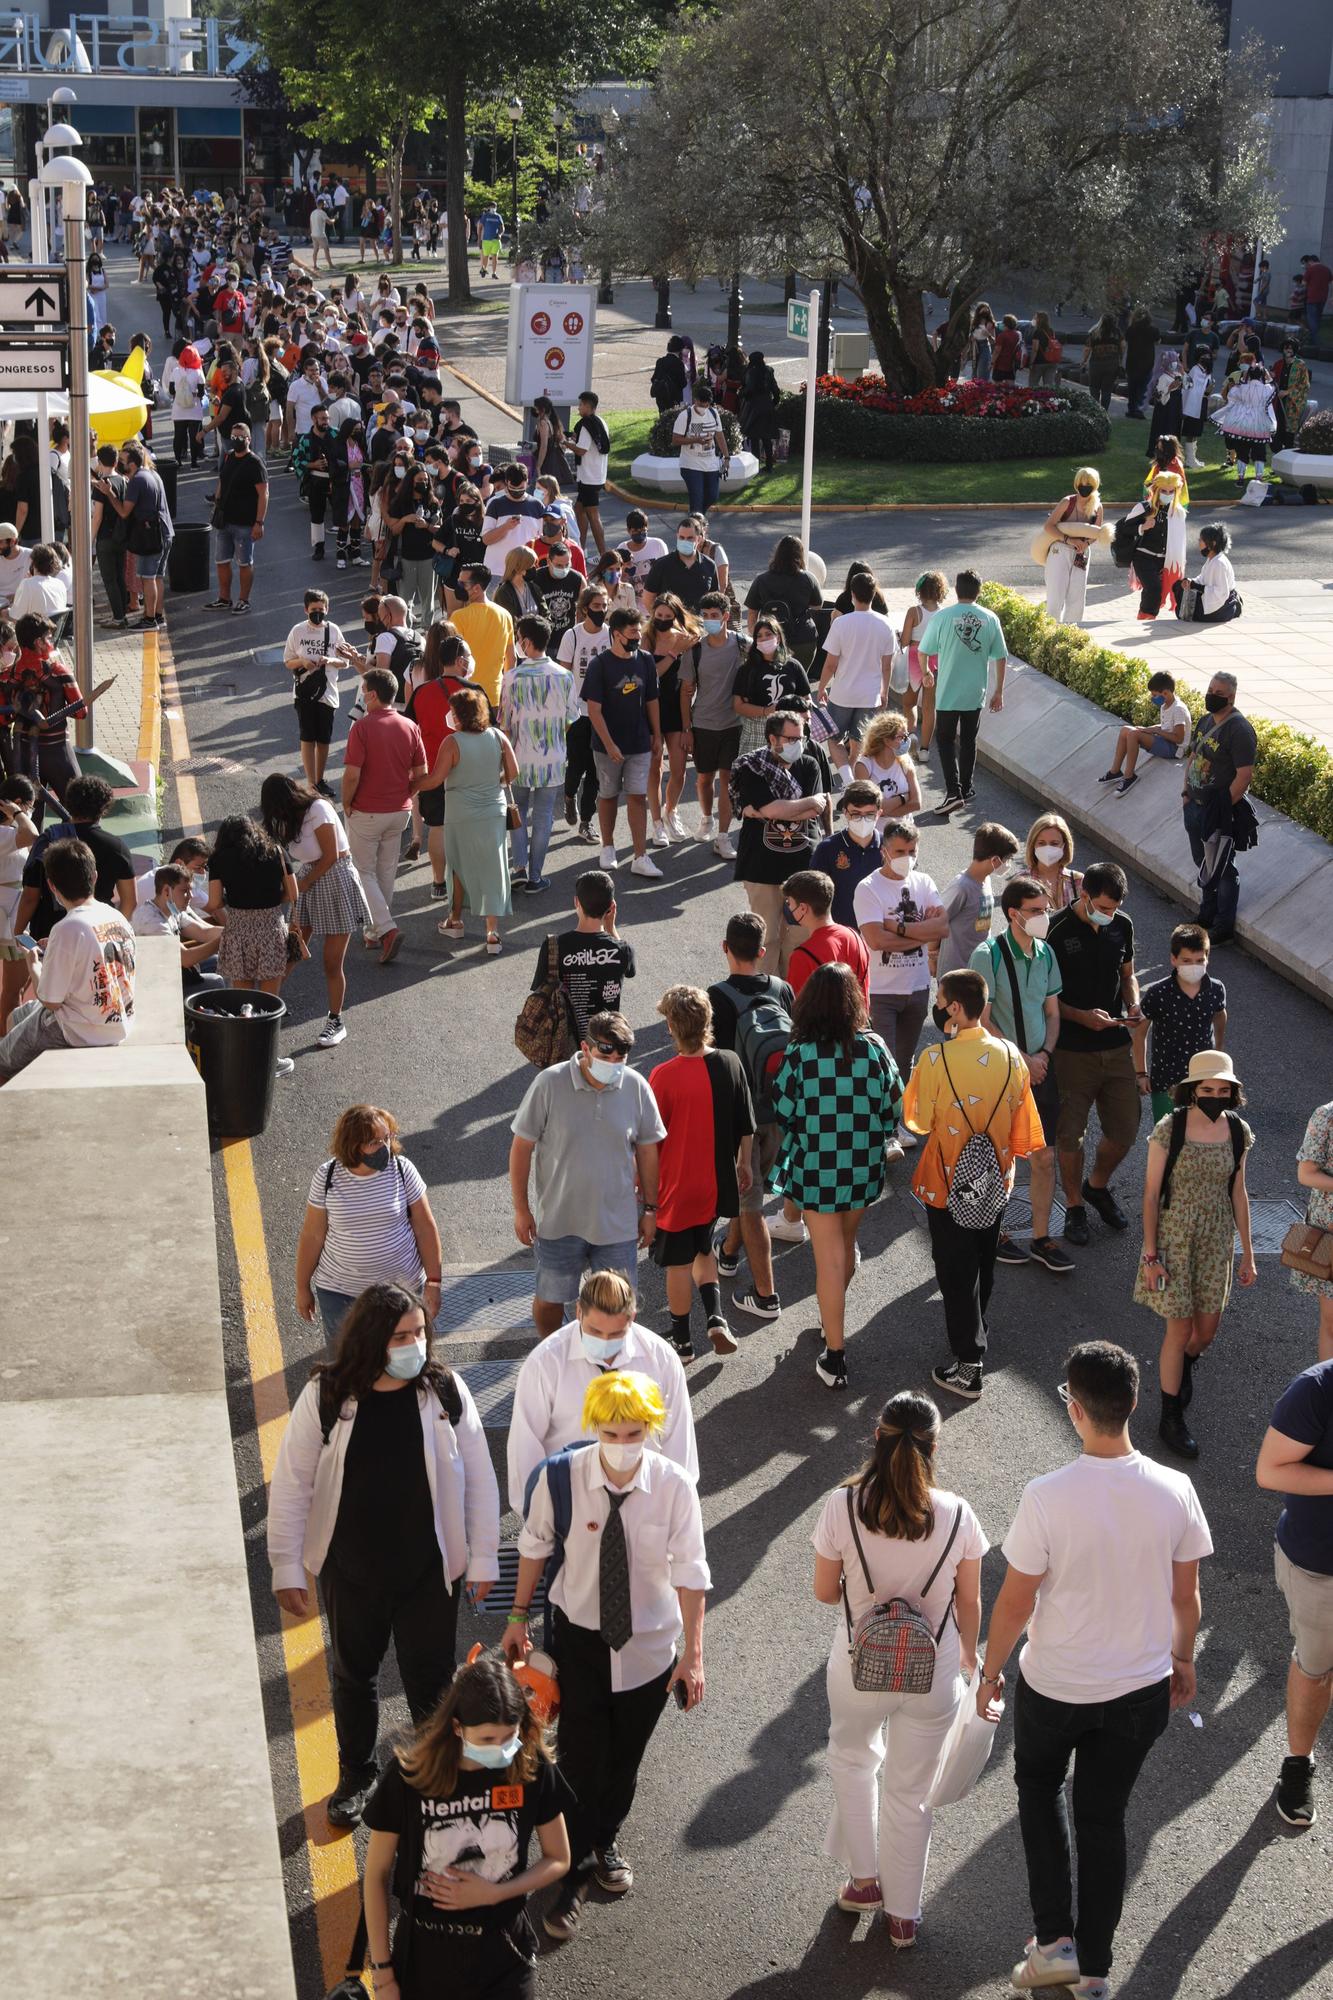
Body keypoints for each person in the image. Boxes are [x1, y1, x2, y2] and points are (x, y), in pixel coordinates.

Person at [978, 1340, 1210, 1994]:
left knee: (1037, 1787)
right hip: (1139, 1690)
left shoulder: (1047, 1496)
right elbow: (1184, 1596)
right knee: (1103, 1820)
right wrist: (1183, 1657)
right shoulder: (1175, 1490)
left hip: (1054, 1685)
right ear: (1133, 1404)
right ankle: (1096, 1971)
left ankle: (1053, 1940)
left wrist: (990, 1672)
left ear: (1075, 1411)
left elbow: (1015, 1602)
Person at [267, 1283, 498, 1828]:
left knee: (432, 1679)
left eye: (419, 1332)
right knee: (353, 1677)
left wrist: (483, 1557)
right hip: (352, 1574)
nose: (415, 1344)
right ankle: (357, 1775)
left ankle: (435, 1776)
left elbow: (481, 1480)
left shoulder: (444, 1390)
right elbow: (293, 1483)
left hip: (426, 1573)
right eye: (401, 1336)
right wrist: (285, 1566)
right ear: (373, 1340)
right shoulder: (328, 1396)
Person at [507, 1369, 709, 1940]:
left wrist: (694, 1655)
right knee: (580, 1757)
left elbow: (692, 1574)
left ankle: (603, 1835)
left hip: (649, 1652)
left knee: (623, 1762)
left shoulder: (674, 1487)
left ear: (651, 1429)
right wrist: (517, 1618)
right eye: (612, 1434)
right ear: (594, 1426)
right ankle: (573, 1875)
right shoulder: (561, 1478)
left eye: (635, 1433)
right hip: (581, 1643)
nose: (623, 1446)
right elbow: (534, 1546)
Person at [812, 1392, 986, 1947]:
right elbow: (970, 1604)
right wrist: (969, 1654)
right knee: (912, 1792)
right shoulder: (959, 1515)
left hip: (859, 1666)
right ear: (934, 1446)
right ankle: (904, 1917)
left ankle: (865, 1881)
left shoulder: (843, 1506)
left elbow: (822, 1592)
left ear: (877, 1437)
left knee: (852, 1760)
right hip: (931, 1674)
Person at [361, 1651, 572, 1998]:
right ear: (457, 1727)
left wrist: (497, 1893)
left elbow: (558, 1858)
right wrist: (383, 1975)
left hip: (504, 1950)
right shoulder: (409, 1780)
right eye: (488, 1740)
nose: (503, 1750)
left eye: (510, 1736)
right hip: (425, 1956)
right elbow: (376, 1875)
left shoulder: (531, 1767)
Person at [902, 970, 1044, 1399]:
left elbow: (918, 1121)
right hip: (995, 1178)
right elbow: (1025, 1127)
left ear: (955, 1008)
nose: (939, 1005)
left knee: (954, 1269)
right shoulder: (1012, 1056)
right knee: (984, 1258)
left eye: (941, 998)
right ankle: (977, 1328)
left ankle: (968, 1362)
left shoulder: (934, 1060)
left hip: (948, 1183)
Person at [772, 963, 903, 1391]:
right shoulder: (874, 1047)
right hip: (863, 1165)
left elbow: (785, 1113)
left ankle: (835, 1353)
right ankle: (832, 1321)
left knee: (828, 1258)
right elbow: (895, 1108)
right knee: (845, 1248)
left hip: (816, 1167)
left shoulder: (799, 1054)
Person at [509, 1010, 665, 1338]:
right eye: (605, 1051)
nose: (613, 1060)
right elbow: (521, 1147)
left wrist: (651, 1209)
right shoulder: (549, 1083)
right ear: (585, 1046)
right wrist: (522, 1210)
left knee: (619, 1306)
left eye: (621, 1054)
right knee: (551, 1301)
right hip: (559, 1222)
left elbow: (648, 1151)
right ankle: (553, 1353)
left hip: (617, 1225)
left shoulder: (636, 1087)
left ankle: (607, 1363)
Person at [1135, 1047, 1255, 1461]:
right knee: (1179, 1330)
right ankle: (1170, 1416)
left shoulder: (1238, 1132)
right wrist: (1151, 1256)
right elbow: (1151, 1195)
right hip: (1174, 1240)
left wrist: (1248, 1253)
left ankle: (1184, 1367)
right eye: (1207, 1088)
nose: (1215, 1096)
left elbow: (1238, 1192)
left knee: (1206, 1332)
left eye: (1223, 1090)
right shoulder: (1171, 1128)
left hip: (1215, 1241)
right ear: (1191, 1089)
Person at [506, 1269, 697, 1509]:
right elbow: (525, 1444)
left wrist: (677, 1508)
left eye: (616, 1334)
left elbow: (678, 1440)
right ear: (578, 1312)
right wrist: (537, 1514)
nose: (605, 1342)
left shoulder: (661, 1358)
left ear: (632, 1318)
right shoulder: (545, 1363)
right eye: (595, 1332)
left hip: (642, 1503)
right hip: (571, 1503)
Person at [970, 876, 1071, 1273]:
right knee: (1002, 1154)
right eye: (1036, 911)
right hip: (1002, 1072)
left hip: (1041, 1068)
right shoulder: (988, 954)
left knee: (1045, 1156)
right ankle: (994, 1231)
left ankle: (1043, 1237)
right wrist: (1023, 1059)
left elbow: (1052, 1012)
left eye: (1045, 909)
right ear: (1013, 914)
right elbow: (982, 1018)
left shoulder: (1046, 954)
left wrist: (1044, 1054)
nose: (1044, 916)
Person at [1255, 1358, 1333, 1829]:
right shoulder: (1317, 1389)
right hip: (1320, 1568)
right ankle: (1298, 1764)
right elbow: (1270, 1470)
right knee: (1316, 1668)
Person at [1047, 862, 1141, 1250]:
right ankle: (1073, 1205)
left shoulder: (1123, 924)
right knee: (1070, 1134)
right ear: (1083, 895)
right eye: (1103, 906)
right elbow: (1046, 998)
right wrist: (1081, 1017)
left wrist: (1133, 1002)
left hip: (1116, 1045)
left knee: (1126, 1129)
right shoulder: (1055, 929)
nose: (1109, 914)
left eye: (1115, 907)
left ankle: (1096, 1185)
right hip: (1072, 1050)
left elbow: (1127, 973)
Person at [295, 1105, 443, 1339]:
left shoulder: (403, 1170)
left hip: (402, 1289)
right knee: (347, 1362)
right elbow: (313, 1235)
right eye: (375, 1142)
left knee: (400, 1358)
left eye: (387, 1138)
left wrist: (434, 1283)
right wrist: (302, 1287)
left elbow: (425, 1227)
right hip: (341, 1292)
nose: (384, 1147)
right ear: (353, 1145)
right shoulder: (327, 1176)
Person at [0, 838, 136, 1085]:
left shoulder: (67, 928)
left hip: (80, 1029)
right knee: (17, 1017)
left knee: (3, 1059)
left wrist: (34, 964)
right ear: (94, 877)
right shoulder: (116, 917)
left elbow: (51, 1001)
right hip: (117, 1021)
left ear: (51, 886)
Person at [260, 774, 370, 1052]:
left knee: (331, 962)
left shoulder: (318, 809)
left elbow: (332, 854)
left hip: (335, 879)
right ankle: (269, 1007)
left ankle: (336, 1020)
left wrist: (302, 884)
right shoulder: (290, 818)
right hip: (310, 878)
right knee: (291, 948)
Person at [342, 667, 427, 966]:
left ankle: (386, 929)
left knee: (363, 871)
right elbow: (421, 773)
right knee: (385, 871)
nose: (362, 696)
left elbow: (352, 775)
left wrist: (346, 803)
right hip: (399, 811)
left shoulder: (362, 728)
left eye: (364, 691)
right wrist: (408, 793)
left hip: (367, 811)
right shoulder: (410, 726)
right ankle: (374, 931)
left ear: (374, 695)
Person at [853, 816, 947, 1083]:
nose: (907, 857)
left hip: (917, 989)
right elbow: (876, 941)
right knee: (884, 1063)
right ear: (885, 851)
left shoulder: (924, 882)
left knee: (905, 1062)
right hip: (881, 992)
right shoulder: (868, 888)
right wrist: (923, 932)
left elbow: (943, 927)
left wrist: (898, 928)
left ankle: (901, 1120)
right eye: (900, 852)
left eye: (912, 852)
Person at [423, 685, 516, 954]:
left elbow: (436, 778)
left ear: (461, 714)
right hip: (493, 811)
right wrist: (491, 782)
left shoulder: (452, 742)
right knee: (493, 868)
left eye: (452, 711)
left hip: (461, 813)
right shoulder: (497, 737)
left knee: (458, 866)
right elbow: (513, 772)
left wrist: (412, 783)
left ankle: (455, 921)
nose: (450, 715)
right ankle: (492, 933)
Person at [499, 615, 579, 895]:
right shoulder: (564, 676)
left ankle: (519, 867)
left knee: (517, 811)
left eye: (519, 638)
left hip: (519, 756)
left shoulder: (511, 678)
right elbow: (571, 717)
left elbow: (504, 724)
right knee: (544, 816)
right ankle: (535, 875)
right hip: (553, 757)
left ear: (527, 642)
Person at [582, 606, 663, 879]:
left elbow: (652, 700)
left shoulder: (646, 661)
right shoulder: (599, 665)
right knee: (607, 795)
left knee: (638, 797)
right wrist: (610, 744)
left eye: (639, 632)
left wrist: (657, 735)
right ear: (616, 634)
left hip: (639, 742)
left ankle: (640, 856)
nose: (637, 638)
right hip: (607, 747)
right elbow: (594, 710)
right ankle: (608, 847)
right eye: (632, 633)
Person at [918, 570, 1007, 813]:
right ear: (979, 591)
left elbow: (923, 650)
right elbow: (1001, 656)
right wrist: (998, 690)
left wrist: (926, 672)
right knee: (969, 740)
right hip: (974, 692)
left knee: (945, 740)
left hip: (947, 692)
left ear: (957, 590)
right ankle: (966, 788)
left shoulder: (943, 616)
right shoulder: (990, 618)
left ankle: (953, 792)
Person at [1181, 670, 1255, 946]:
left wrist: (1224, 808)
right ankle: (1206, 915)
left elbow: (1244, 775)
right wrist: (1186, 793)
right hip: (1195, 806)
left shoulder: (1240, 730)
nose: (1211, 696)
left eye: (1219, 693)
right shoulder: (1204, 721)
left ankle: (1223, 926)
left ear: (1232, 697)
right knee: (1202, 862)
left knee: (1223, 869)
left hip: (1218, 812)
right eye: (1210, 689)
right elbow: (1193, 756)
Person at [1133, 924, 1227, 1123]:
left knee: (1202, 1137)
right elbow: (1140, 1033)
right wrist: (1141, 1073)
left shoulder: (1216, 989)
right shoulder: (1158, 993)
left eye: (1200, 960)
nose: (1194, 966)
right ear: (1173, 959)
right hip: (1166, 1082)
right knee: (1167, 1139)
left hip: (1204, 1080)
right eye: (1186, 960)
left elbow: (1220, 1016)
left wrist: (1219, 1052)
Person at [529, 868, 635, 1041]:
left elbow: (539, 992)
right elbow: (629, 969)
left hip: (564, 1039)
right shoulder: (622, 950)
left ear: (576, 902)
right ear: (611, 907)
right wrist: (611, 928)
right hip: (605, 1043)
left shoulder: (553, 946)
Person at [283, 587, 365, 794]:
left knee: (324, 739)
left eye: (321, 608)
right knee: (307, 737)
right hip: (304, 692)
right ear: (305, 610)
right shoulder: (297, 631)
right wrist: (302, 661)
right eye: (313, 609)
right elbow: (287, 662)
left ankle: (320, 779)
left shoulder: (334, 631)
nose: (317, 612)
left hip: (328, 693)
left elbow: (347, 661)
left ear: (327, 609)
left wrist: (329, 660)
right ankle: (311, 782)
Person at [679, 590, 741, 860]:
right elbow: (685, 691)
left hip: (734, 725)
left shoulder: (742, 645)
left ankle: (723, 837)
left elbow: (774, 656)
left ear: (726, 616)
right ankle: (707, 819)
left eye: (714, 616)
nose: (709, 621)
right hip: (703, 724)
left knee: (727, 782)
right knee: (705, 779)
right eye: (705, 616)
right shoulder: (695, 652)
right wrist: (686, 728)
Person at [815, 572, 897, 752]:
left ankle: (846, 773)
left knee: (834, 738)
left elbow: (830, 664)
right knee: (860, 742)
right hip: (870, 695)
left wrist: (822, 687)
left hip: (842, 693)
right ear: (874, 594)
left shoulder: (841, 623)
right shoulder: (886, 625)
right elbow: (887, 666)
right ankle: (853, 775)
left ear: (852, 594)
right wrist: (884, 693)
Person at [643, 591, 700, 846]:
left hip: (678, 710)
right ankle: (657, 823)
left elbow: (694, 674)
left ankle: (671, 810)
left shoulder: (687, 640)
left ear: (677, 616)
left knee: (678, 770)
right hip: (650, 711)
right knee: (654, 768)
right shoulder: (646, 639)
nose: (663, 620)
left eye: (668, 616)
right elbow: (650, 676)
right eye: (659, 615)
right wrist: (673, 654)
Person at [95, 444, 172, 628]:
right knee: (157, 577)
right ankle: (157, 616)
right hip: (164, 532)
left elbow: (123, 512)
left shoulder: (138, 480)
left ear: (133, 463)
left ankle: (149, 619)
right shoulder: (152, 474)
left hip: (151, 536)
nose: (119, 463)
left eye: (122, 461)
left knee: (148, 577)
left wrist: (110, 493)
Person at [936, 821, 1019, 976]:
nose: (1008, 864)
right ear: (995, 860)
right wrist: (932, 957)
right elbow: (937, 922)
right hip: (955, 972)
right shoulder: (961, 887)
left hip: (978, 967)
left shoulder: (985, 880)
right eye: (1007, 858)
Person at [132, 861, 224, 994]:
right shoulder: (152, 922)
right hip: (156, 990)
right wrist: (222, 940)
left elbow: (205, 932)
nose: (190, 896)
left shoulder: (172, 910)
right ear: (166, 891)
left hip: (171, 973)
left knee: (216, 960)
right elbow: (186, 959)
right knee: (217, 981)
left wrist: (234, 932)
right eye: (185, 891)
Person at [206, 422, 267, 614]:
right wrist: (216, 504)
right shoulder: (229, 456)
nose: (236, 440)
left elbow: (264, 494)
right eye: (233, 437)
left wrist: (259, 522)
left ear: (248, 439)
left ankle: (243, 600)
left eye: (240, 437)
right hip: (225, 521)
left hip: (245, 524)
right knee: (221, 561)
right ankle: (224, 598)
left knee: (244, 563)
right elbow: (222, 481)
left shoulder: (255, 463)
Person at [1099, 668, 1190, 797]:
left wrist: (1155, 731)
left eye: (1154, 695)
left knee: (1134, 734)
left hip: (1174, 749)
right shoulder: (1165, 705)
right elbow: (1166, 726)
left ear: (1165, 693)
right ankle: (1115, 772)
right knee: (1126, 730)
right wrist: (1148, 729)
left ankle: (1129, 776)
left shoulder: (1178, 709)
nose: (1152, 698)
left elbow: (1179, 738)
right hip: (1165, 741)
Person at [782, 868, 870, 1000]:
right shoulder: (854, 936)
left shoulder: (802, 956)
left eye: (789, 902)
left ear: (803, 908)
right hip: (860, 1019)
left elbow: (796, 1007)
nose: (788, 907)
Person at [745, 535, 823, 663]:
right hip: (803, 639)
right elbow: (817, 606)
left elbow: (752, 614)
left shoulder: (762, 580)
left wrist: (758, 638)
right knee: (799, 679)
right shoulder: (808, 579)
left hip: (770, 640)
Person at [1041, 468, 1104, 627]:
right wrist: (1068, 539)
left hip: (1081, 553)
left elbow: (1097, 533)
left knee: (1077, 596)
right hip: (1060, 550)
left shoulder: (1097, 507)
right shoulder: (1067, 502)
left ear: (1095, 485)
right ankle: (1050, 631)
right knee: (1055, 595)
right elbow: (1049, 527)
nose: (1085, 487)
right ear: (1076, 484)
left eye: (1088, 484)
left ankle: (1071, 632)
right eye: (1081, 483)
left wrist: (1086, 544)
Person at [450, 566, 516, 710]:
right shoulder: (505, 615)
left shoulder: (458, 617)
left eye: (463, 584)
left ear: (477, 588)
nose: (458, 586)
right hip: (494, 696)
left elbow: (452, 659)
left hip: (465, 696)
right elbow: (511, 658)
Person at [641, 512, 719, 615]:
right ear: (677, 536)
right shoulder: (661, 565)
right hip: (670, 627)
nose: (685, 541)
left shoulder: (709, 566)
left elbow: (713, 601)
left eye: (690, 538)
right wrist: (660, 621)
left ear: (699, 539)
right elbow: (648, 599)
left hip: (698, 628)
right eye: (681, 537)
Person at [1211, 362, 1277, 484]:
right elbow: (1274, 388)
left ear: (1249, 374)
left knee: (1242, 451)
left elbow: (1232, 396)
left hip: (1242, 424)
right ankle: (1258, 478)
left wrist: (1244, 378)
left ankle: (1240, 478)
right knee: (1259, 451)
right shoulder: (1267, 389)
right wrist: (1269, 377)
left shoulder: (1241, 388)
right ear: (1263, 375)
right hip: (1259, 424)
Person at [670, 382, 728, 515]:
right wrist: (695, 440)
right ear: (695, 400)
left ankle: (696, 519)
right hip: (690, 465)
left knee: (713, 495)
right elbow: (675, 440)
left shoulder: (713, 413)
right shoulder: (685, 416)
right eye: (701, 405)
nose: (704, 407)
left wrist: (727, 457)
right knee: (697, 498)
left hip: (710, 464)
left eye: (707, 405)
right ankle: (697, 525)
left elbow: (719, 435)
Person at [852, 711, 921, 819]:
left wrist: (888, 812)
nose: (906, 741)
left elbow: (916, 803)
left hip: (903, 831)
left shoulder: (905, 761)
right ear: (887, 741)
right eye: (901, 737)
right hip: (876, 833)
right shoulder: (864, 766)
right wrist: (904, 798)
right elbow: (871, 807)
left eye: (906, 736)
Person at [1175, 521, 1241, 627]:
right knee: (1178, 586)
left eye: (1201, 540)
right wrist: (1190, 582)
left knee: (1187, 612)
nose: (1199, 542)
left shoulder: (1219, 563)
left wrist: (1195, 586)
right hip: (1213, 598)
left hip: (1222, 605)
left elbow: (1221, 592)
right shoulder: (1212, 559)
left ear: (1212, 544)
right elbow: (1203, 578)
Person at [568, 389, 610, 556]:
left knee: (593, 515)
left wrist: (566, 443)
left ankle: (604, 555)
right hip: (596, 475)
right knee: (579, 509)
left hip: (589, 478)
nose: (578, 408)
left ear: (587, 406)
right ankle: (581, 549)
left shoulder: (586, 425)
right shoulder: (600, 422)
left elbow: (581, 450)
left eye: (580, 405)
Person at [1025, 811, 1082, 913]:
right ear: (1033, 845)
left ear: (1064, 846)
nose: (1047, 848)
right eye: (1041, 843)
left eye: (1054, 843)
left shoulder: (1078, 881)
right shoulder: (1021, 881)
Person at [739, 350, 781, 469]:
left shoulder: (750, 372)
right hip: (767, 404)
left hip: (754, 406)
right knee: (766, 437)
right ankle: (769, 465)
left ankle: (755, 464)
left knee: (754, 437)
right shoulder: (768, 371)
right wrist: (773, 402)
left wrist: (741, 394)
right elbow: (776, 390)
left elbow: (749, 389)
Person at [1081, 313, 1125, 410]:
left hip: (1096, 364)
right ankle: (1104, 411)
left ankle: (1095, 410)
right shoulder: (1117, 333)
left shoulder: (1094, 332)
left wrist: (1084, 361)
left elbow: (1087, 349)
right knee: (1107, 390)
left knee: (1094, 388)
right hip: (1112, 364)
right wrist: (1120, 359)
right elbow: (1123, 346)